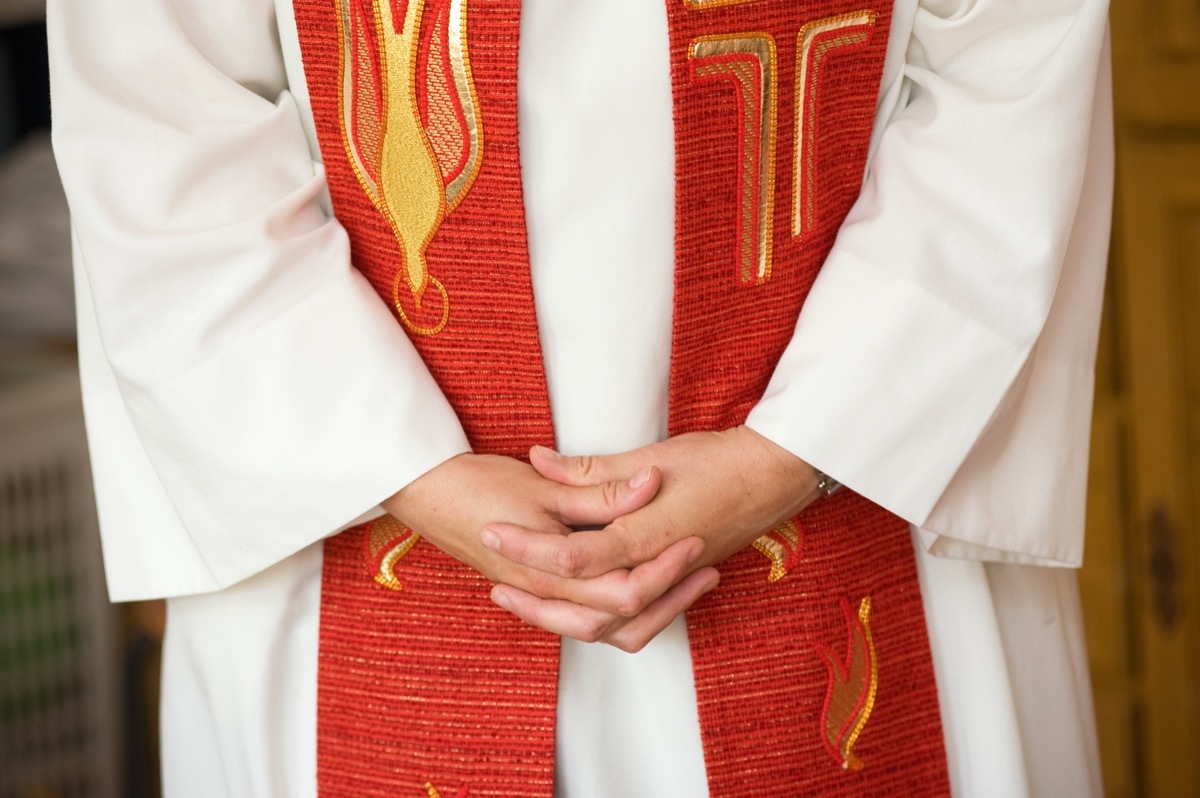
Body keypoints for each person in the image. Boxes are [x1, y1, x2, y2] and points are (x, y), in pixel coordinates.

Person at [48, 0, 1111, 795]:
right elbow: (158, 106)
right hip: (361, 524)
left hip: (860, 474)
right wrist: (404, 469)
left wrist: (798, 449)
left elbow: (1012, 58)